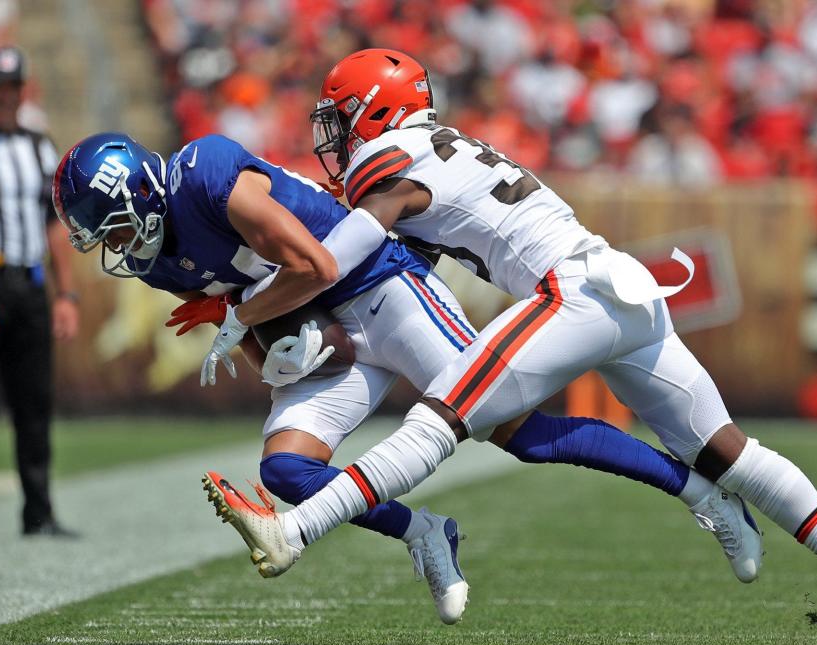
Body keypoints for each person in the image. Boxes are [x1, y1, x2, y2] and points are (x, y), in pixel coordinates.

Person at [210, 49, 817, 645]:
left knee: (440, 416)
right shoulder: (442, 145)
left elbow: (353, 248)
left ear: (373, 110)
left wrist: (270, 297)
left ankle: (295, 530)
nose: (333, 134)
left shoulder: (388, 155)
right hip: (624, 289)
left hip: (570, 292)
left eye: (340, 115)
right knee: (729, 450)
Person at [53, 131, 762, 620]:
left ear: (136, 191)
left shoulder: (208, 176)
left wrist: (239, 315)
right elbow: (250, 322)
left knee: (519, 432)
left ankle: (701, 490)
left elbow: (315, 266)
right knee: (287, 470)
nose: (115, 246)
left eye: (111, 225)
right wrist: (271, 354)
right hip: (331, 327)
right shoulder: (152, 259)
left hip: (384, 290)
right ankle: (425, 531)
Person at [0, 46, 79, 537]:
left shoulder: (37, 146)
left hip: (28, 283)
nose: (4, 97)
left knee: (34, 401)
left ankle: (39, 512)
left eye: (11, 87)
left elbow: (54, 226)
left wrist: (67, 295)